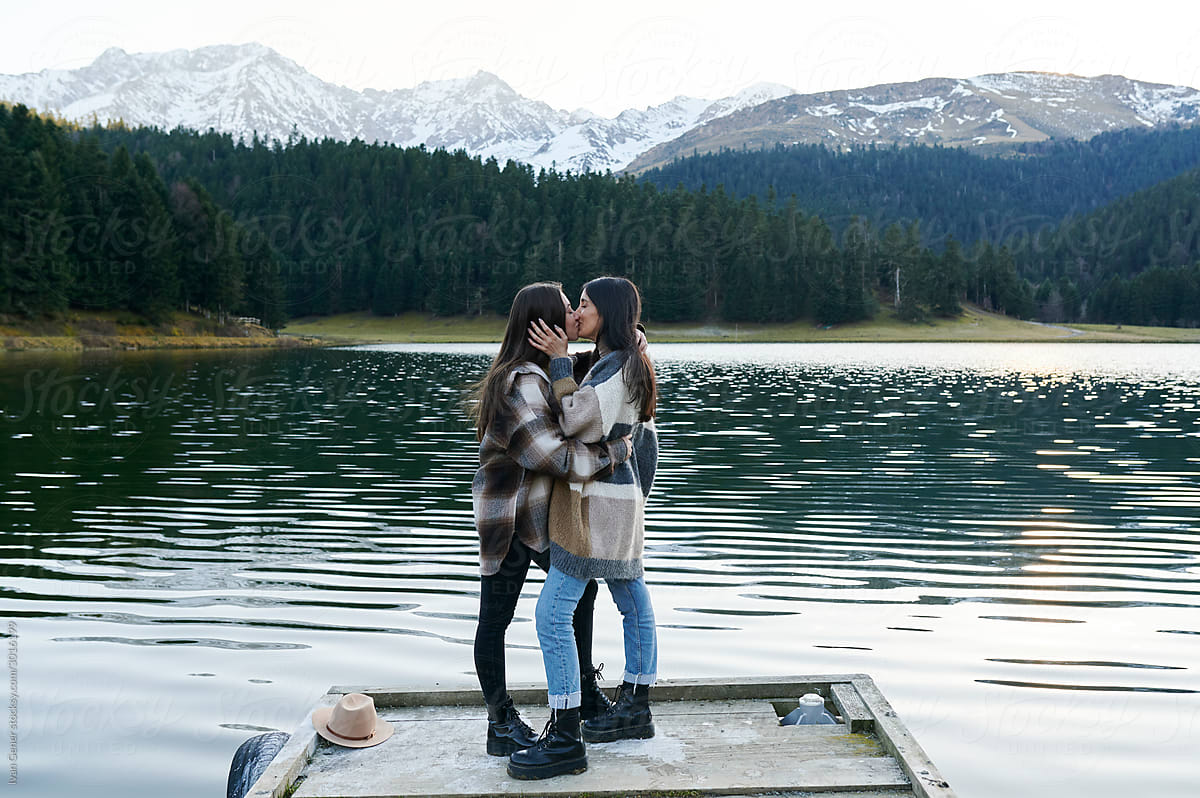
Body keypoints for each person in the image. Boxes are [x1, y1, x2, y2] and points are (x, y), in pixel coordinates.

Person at [507, 276, 659, 780]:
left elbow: (575, 418)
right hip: (620, 504)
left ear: (607, 313)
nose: (579, 311)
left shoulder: (619, 366)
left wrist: (557, 360)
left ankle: (567, 733)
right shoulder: (620, 361)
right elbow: (633, 432)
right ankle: (634, 706)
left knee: (552, 613)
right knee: (631, 599)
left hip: (596, 509)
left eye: (586, 305)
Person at [469, 281, 629, 756]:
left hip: (537, 517)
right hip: (509, 519)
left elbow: (587, 372)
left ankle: (582, 696)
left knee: (582, 589)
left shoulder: (540, 373)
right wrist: (617, 452)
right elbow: (556, 459)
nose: (575, 316)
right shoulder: (518, 383)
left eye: (578, 309)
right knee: (495, 617)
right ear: (543, 325)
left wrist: (629, 337)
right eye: (567, 310)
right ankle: (500, 723)